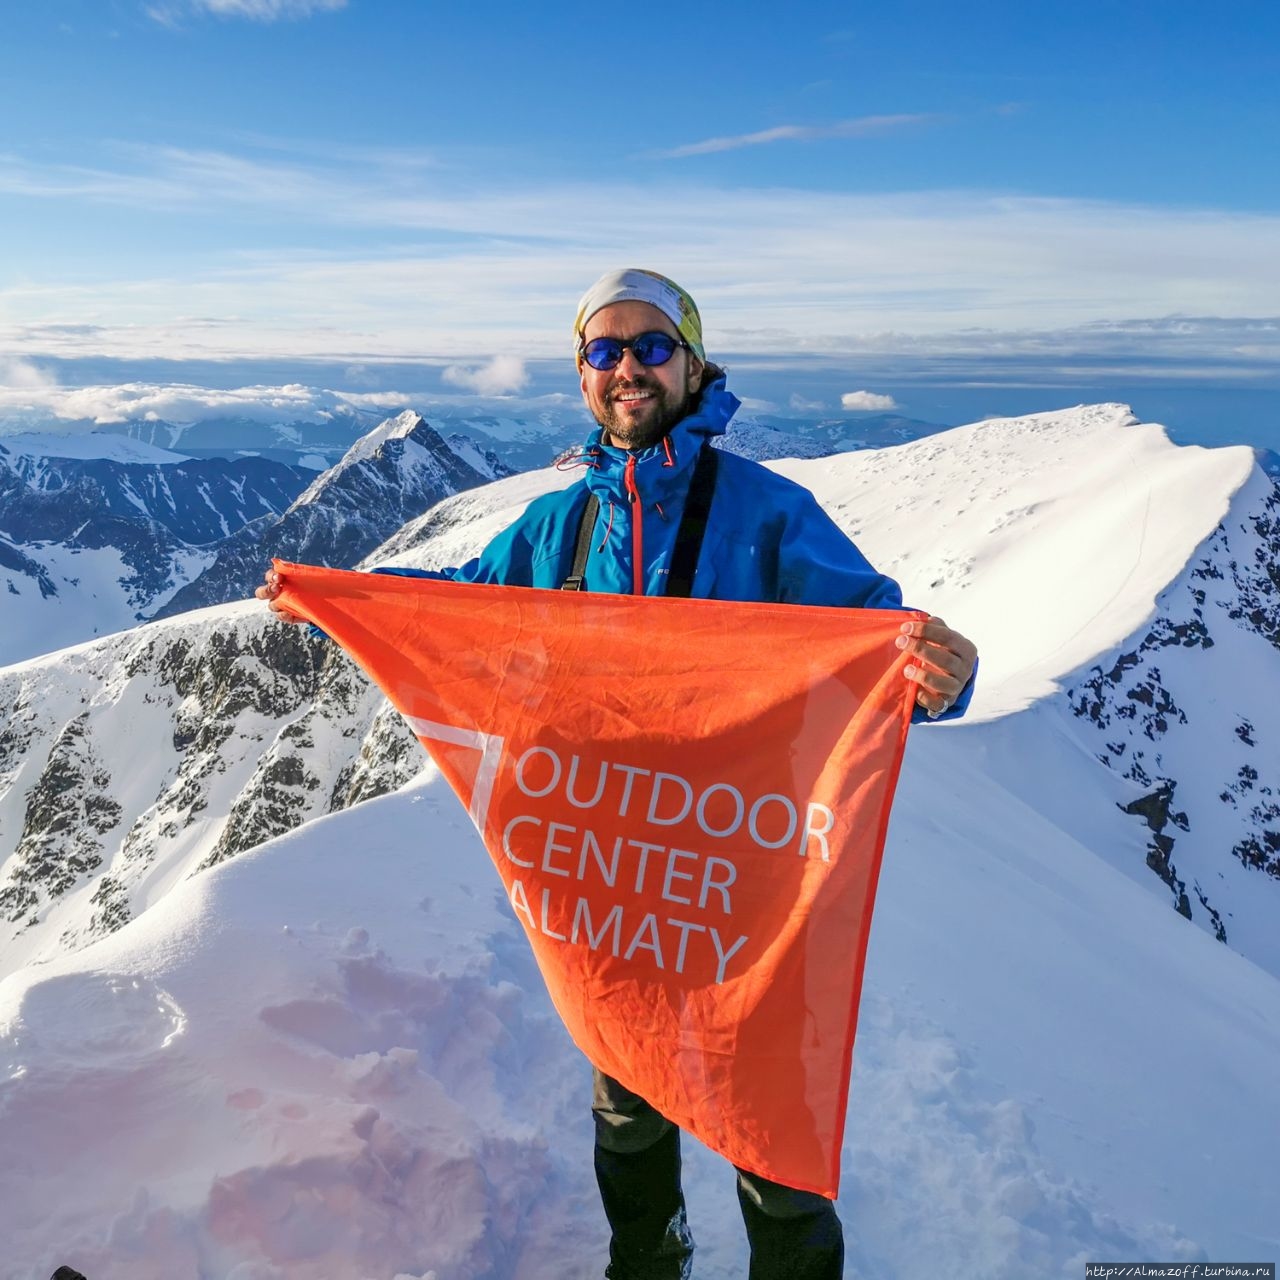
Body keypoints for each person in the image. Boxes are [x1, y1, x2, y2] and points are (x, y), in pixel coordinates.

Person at [259, 268, 978, 1279]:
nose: (627, 367)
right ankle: (647, 1256)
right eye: (604, 350)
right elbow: (464, 607)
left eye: (649, 346)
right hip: (611, 858)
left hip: (744, 864)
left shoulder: (769, 514)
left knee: (768, 1114)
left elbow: (873, 636)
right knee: (625, 1087)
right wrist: (341, 601)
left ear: (690, 363)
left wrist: (942, 677)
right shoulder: (557, 525)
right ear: (580, 375)